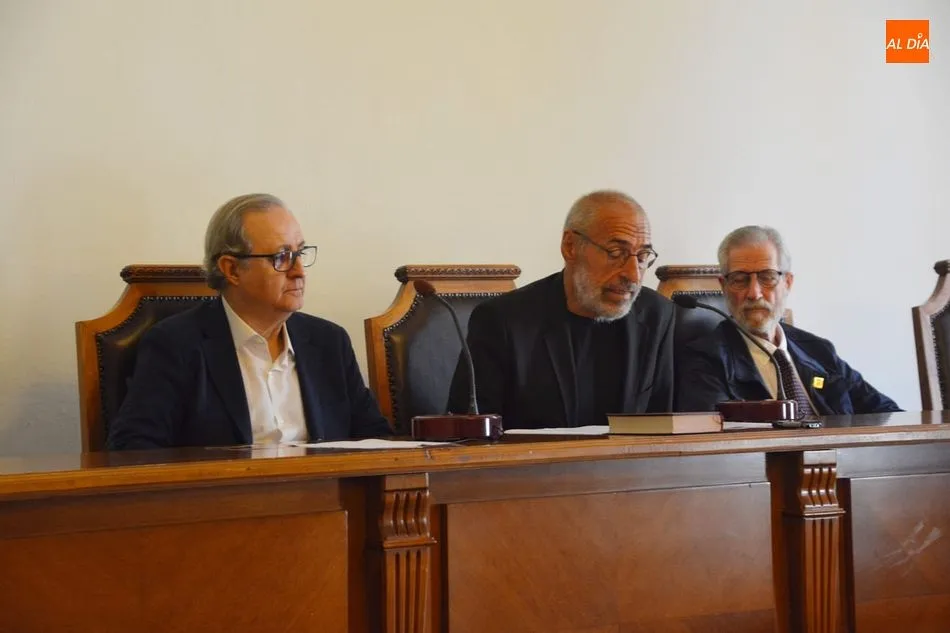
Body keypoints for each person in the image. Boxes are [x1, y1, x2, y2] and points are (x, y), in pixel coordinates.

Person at [107, 193, 392, 449]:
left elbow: (375, 439)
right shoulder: (176, 345)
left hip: (329, 503)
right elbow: (135, 450)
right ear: (231, 269)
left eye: (300, 253)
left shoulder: (329, 342)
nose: (299, 272)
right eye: (282, 257)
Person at [446, 190, 675, 428]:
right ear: (570, 246)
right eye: (616, 253)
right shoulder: (502, 321)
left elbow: (665, 430)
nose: (633, 274)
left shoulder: (656, 315)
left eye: (642, 256)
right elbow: (468, 436)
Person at [675, 225, 900, 414]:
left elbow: (886, 413)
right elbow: (718, 445)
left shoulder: (819, 351)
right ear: (724, 287)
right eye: (740, 279)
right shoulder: (705, 360)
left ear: (788, 283)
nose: (754, 293)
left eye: (767, 277)